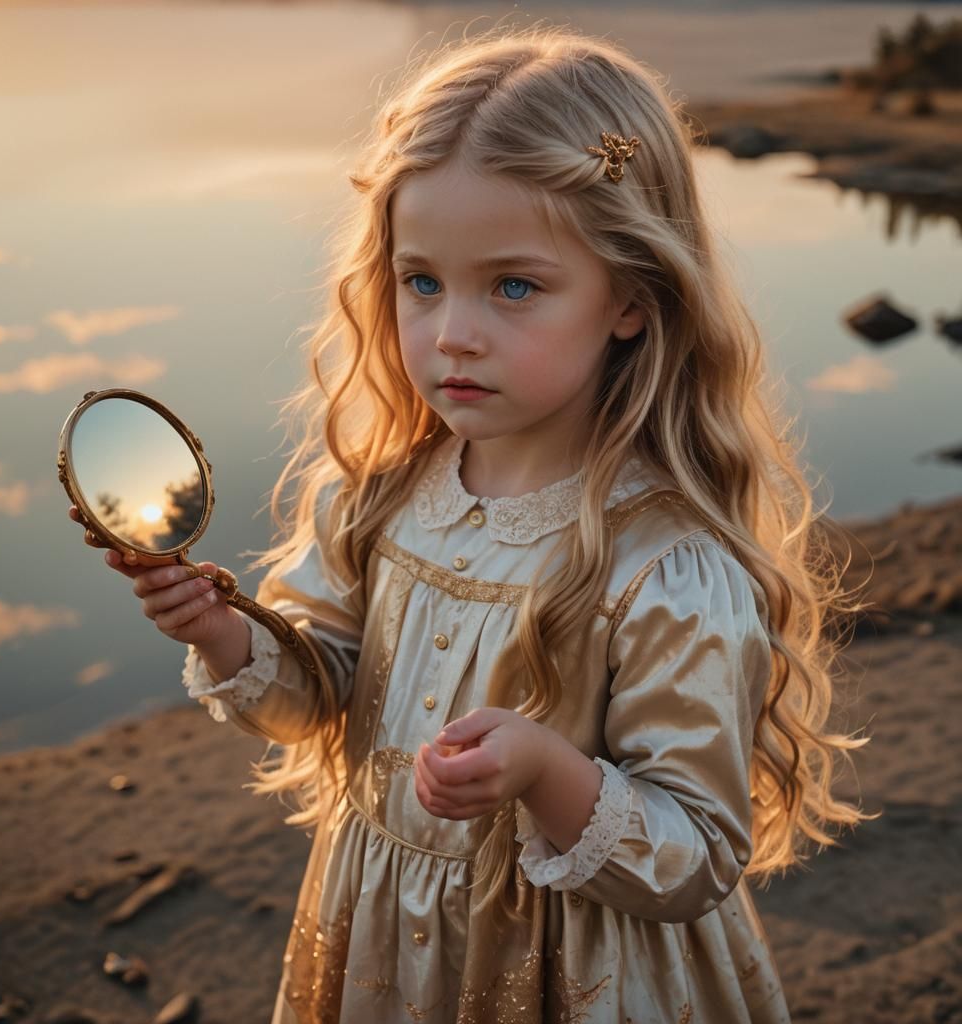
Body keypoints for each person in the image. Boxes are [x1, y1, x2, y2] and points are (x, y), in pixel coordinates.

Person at [70, 22, 874, 1023]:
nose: (453, 331)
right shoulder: (382, 495)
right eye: (422, 281)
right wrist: (224, 633)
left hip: (575, 973)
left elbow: (695, 854)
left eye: (514, 286)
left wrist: (547, 772)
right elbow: (319, 694)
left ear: (629, 297)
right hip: (382, 953)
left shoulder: (664, 563)